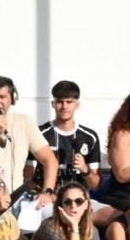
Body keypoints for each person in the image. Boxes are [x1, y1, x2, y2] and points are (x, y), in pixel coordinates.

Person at [37, 80, 105, 218]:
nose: (64, 106)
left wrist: (85, 170)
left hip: (81, 202)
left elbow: (96, 185)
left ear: (77, 105)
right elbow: (28, 175)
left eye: (69, 102)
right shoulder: (40, 134)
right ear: (53, 104)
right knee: (47, 219)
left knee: (114, 217)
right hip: (51, 201)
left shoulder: (89, 137)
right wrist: (47, 193)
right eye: (60, 102)